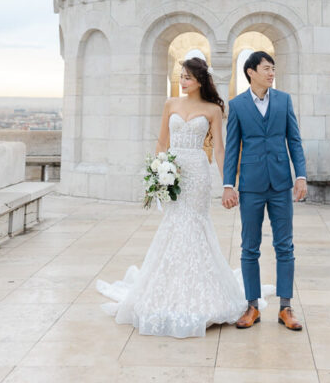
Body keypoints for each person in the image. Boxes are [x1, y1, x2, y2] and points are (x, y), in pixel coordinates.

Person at [97, 57, 264, 337]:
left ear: (199, 80)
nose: (182, 81)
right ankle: (168, 291)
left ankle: (201, 294)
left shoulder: (212, 109)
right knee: (174, 225)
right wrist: (157, 173)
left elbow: (219, 150)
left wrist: (228, 184)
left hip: (197, 174)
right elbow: (162, 142)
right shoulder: (170, 104)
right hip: (172, 171)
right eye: (181, 76)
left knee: (195, 225)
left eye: (187, 77)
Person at [222, 50, 307, 331]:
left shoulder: (284, 100)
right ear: (251, 72)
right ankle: (252, 306)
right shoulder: (237, 105)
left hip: (281, 183)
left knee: (285, 246)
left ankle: (286, 307)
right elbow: (232, 148)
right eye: (267, 68)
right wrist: (228, 185)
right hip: (251, 185)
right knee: (249, 247)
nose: (272, 73)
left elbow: (294, 140)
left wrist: (300, 176)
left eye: (273, 68)